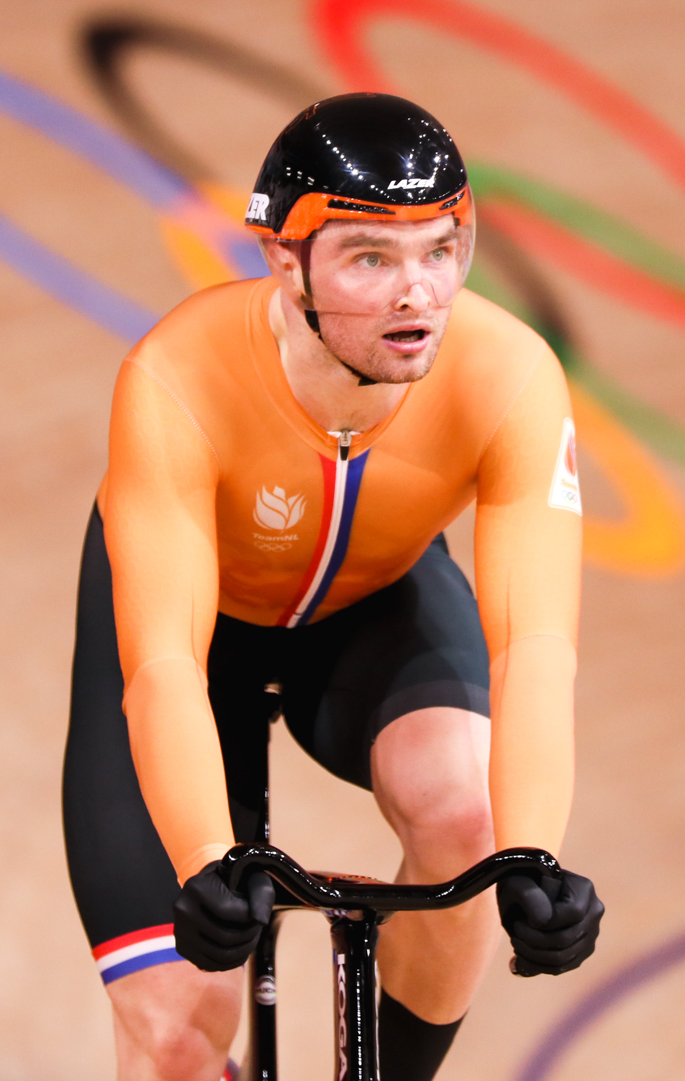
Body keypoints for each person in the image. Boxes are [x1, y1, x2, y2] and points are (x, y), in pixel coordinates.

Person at [63, 93, 604, 1081]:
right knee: (176, 1029)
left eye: (442, 250)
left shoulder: (509, 374)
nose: (418, 293)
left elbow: (535, 645)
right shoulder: (177, 375)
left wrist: (531, 852)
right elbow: (162, 665)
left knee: (470, 818)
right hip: (193, 645)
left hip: (373, 611)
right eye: (370, 258)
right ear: (283, 258)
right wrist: (201, 861)